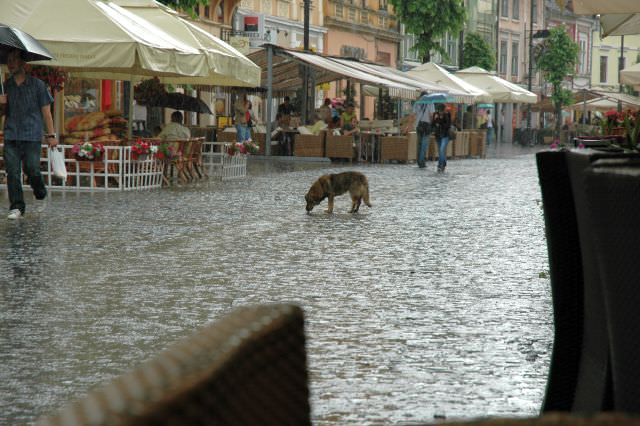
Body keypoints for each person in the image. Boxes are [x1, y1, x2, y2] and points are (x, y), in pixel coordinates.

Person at [0, 48, 58, 220]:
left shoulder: (38, 85)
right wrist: (1, 104)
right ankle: (17, 206)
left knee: (32, 169)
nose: (10, 64)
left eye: (13, 60)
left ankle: (40, 191)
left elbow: (47, 112)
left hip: (32, 135)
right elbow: (1, 113)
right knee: (12, 171)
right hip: (11, 135)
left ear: (23, 63)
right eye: (8, 60)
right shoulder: (5, 87)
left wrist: (51, 135)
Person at [411, 93, 435, 168]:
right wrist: (432, 124)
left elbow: (413, 115)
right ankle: (422, 162)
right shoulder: (430, 103)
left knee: (419, 144)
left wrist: (410, 124)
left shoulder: (417, 103)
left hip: (419, 125)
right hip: (427, 125)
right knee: (424, 144)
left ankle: (419, 161)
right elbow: (431, 115)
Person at [432, 104, 452, 173]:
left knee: (441, 150)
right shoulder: (435, 114)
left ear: (444, 110)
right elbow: (433, 124)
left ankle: (440, 165)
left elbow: (448, 125)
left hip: (445, 135)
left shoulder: (447, 115)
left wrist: (439, 120)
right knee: (440, 151)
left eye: (441, 110)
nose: (440, 112)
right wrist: (435, 120)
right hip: (438, 135)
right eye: (439, 110)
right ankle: (444, 163)